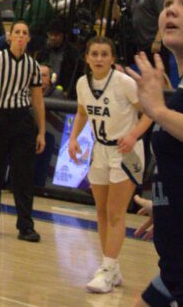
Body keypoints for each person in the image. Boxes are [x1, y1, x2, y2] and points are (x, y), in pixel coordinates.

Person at [124, 0, 183, 307]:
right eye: (169, 2)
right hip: (179, 268)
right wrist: (171, 205)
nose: (171, 10)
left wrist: (158, 110)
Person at [68, 37, 153, 294]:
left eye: (104, 54)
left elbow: (150, 112)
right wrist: (73, 138)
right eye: (94, 53)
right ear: (86, 57)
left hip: (125, 151)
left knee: (116, 212)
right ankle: (111, 267)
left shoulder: (124, 83)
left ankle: (106, 267)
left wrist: (133, 134)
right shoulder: (83, 83)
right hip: (100, 149)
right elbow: (83, 113)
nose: (99, 58)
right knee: (102, 211)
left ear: (113, 58)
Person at [0, 21, 46, 242]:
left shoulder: (32, 65)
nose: (21, 36)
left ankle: (26, 226)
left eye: (25, 33)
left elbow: (37, 100)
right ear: (10, 36)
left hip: (22, 120)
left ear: (29, 38)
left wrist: (41, 131)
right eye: (18, 32)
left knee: (23, 176)